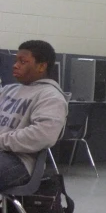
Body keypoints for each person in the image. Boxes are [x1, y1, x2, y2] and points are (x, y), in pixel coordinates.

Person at [0, 41, 68, 191]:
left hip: (19, 161)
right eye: (16, 60)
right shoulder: (8, 90)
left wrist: (2, 141)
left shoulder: (51, 97)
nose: (15, 65)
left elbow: (43, 136)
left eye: (23, 62)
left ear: (41, 66)